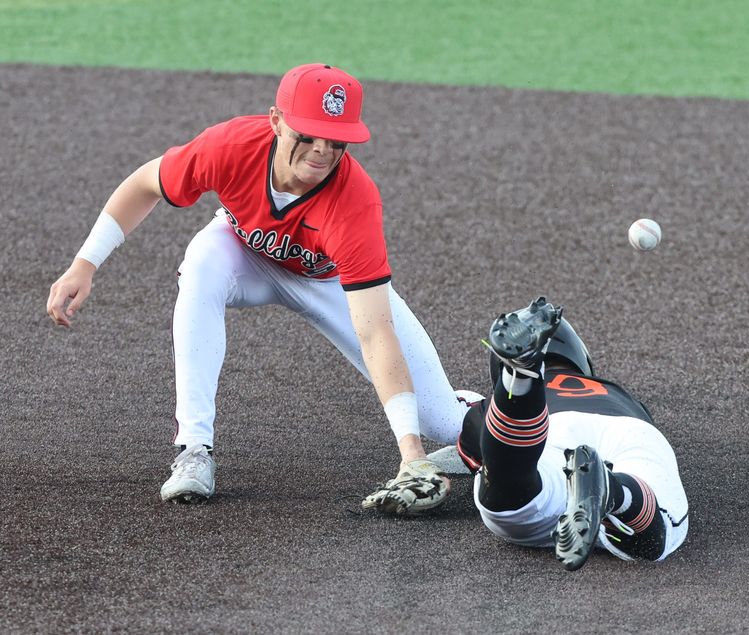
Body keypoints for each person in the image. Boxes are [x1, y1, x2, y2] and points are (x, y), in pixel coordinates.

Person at [46, 63, 470, 507]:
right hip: (241, 254)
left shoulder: (354, 202)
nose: (321, 151)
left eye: (335, 139)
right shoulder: (229, 146)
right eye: (307, 134)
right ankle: (193, 449)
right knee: (201, 267)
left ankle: (477, 413)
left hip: (326, 283)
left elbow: (375, 330)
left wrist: (411, 455)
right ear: (276, 121)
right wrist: (84, 264)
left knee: (442, 424)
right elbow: (143, 184)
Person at [438, 296, 689, 569]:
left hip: (544, 434)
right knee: (656, 537)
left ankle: (521, 378)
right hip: (630, 428)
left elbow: (478, 453)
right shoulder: (620, 394)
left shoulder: (488, 408)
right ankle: (616, 491)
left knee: (508, 497)